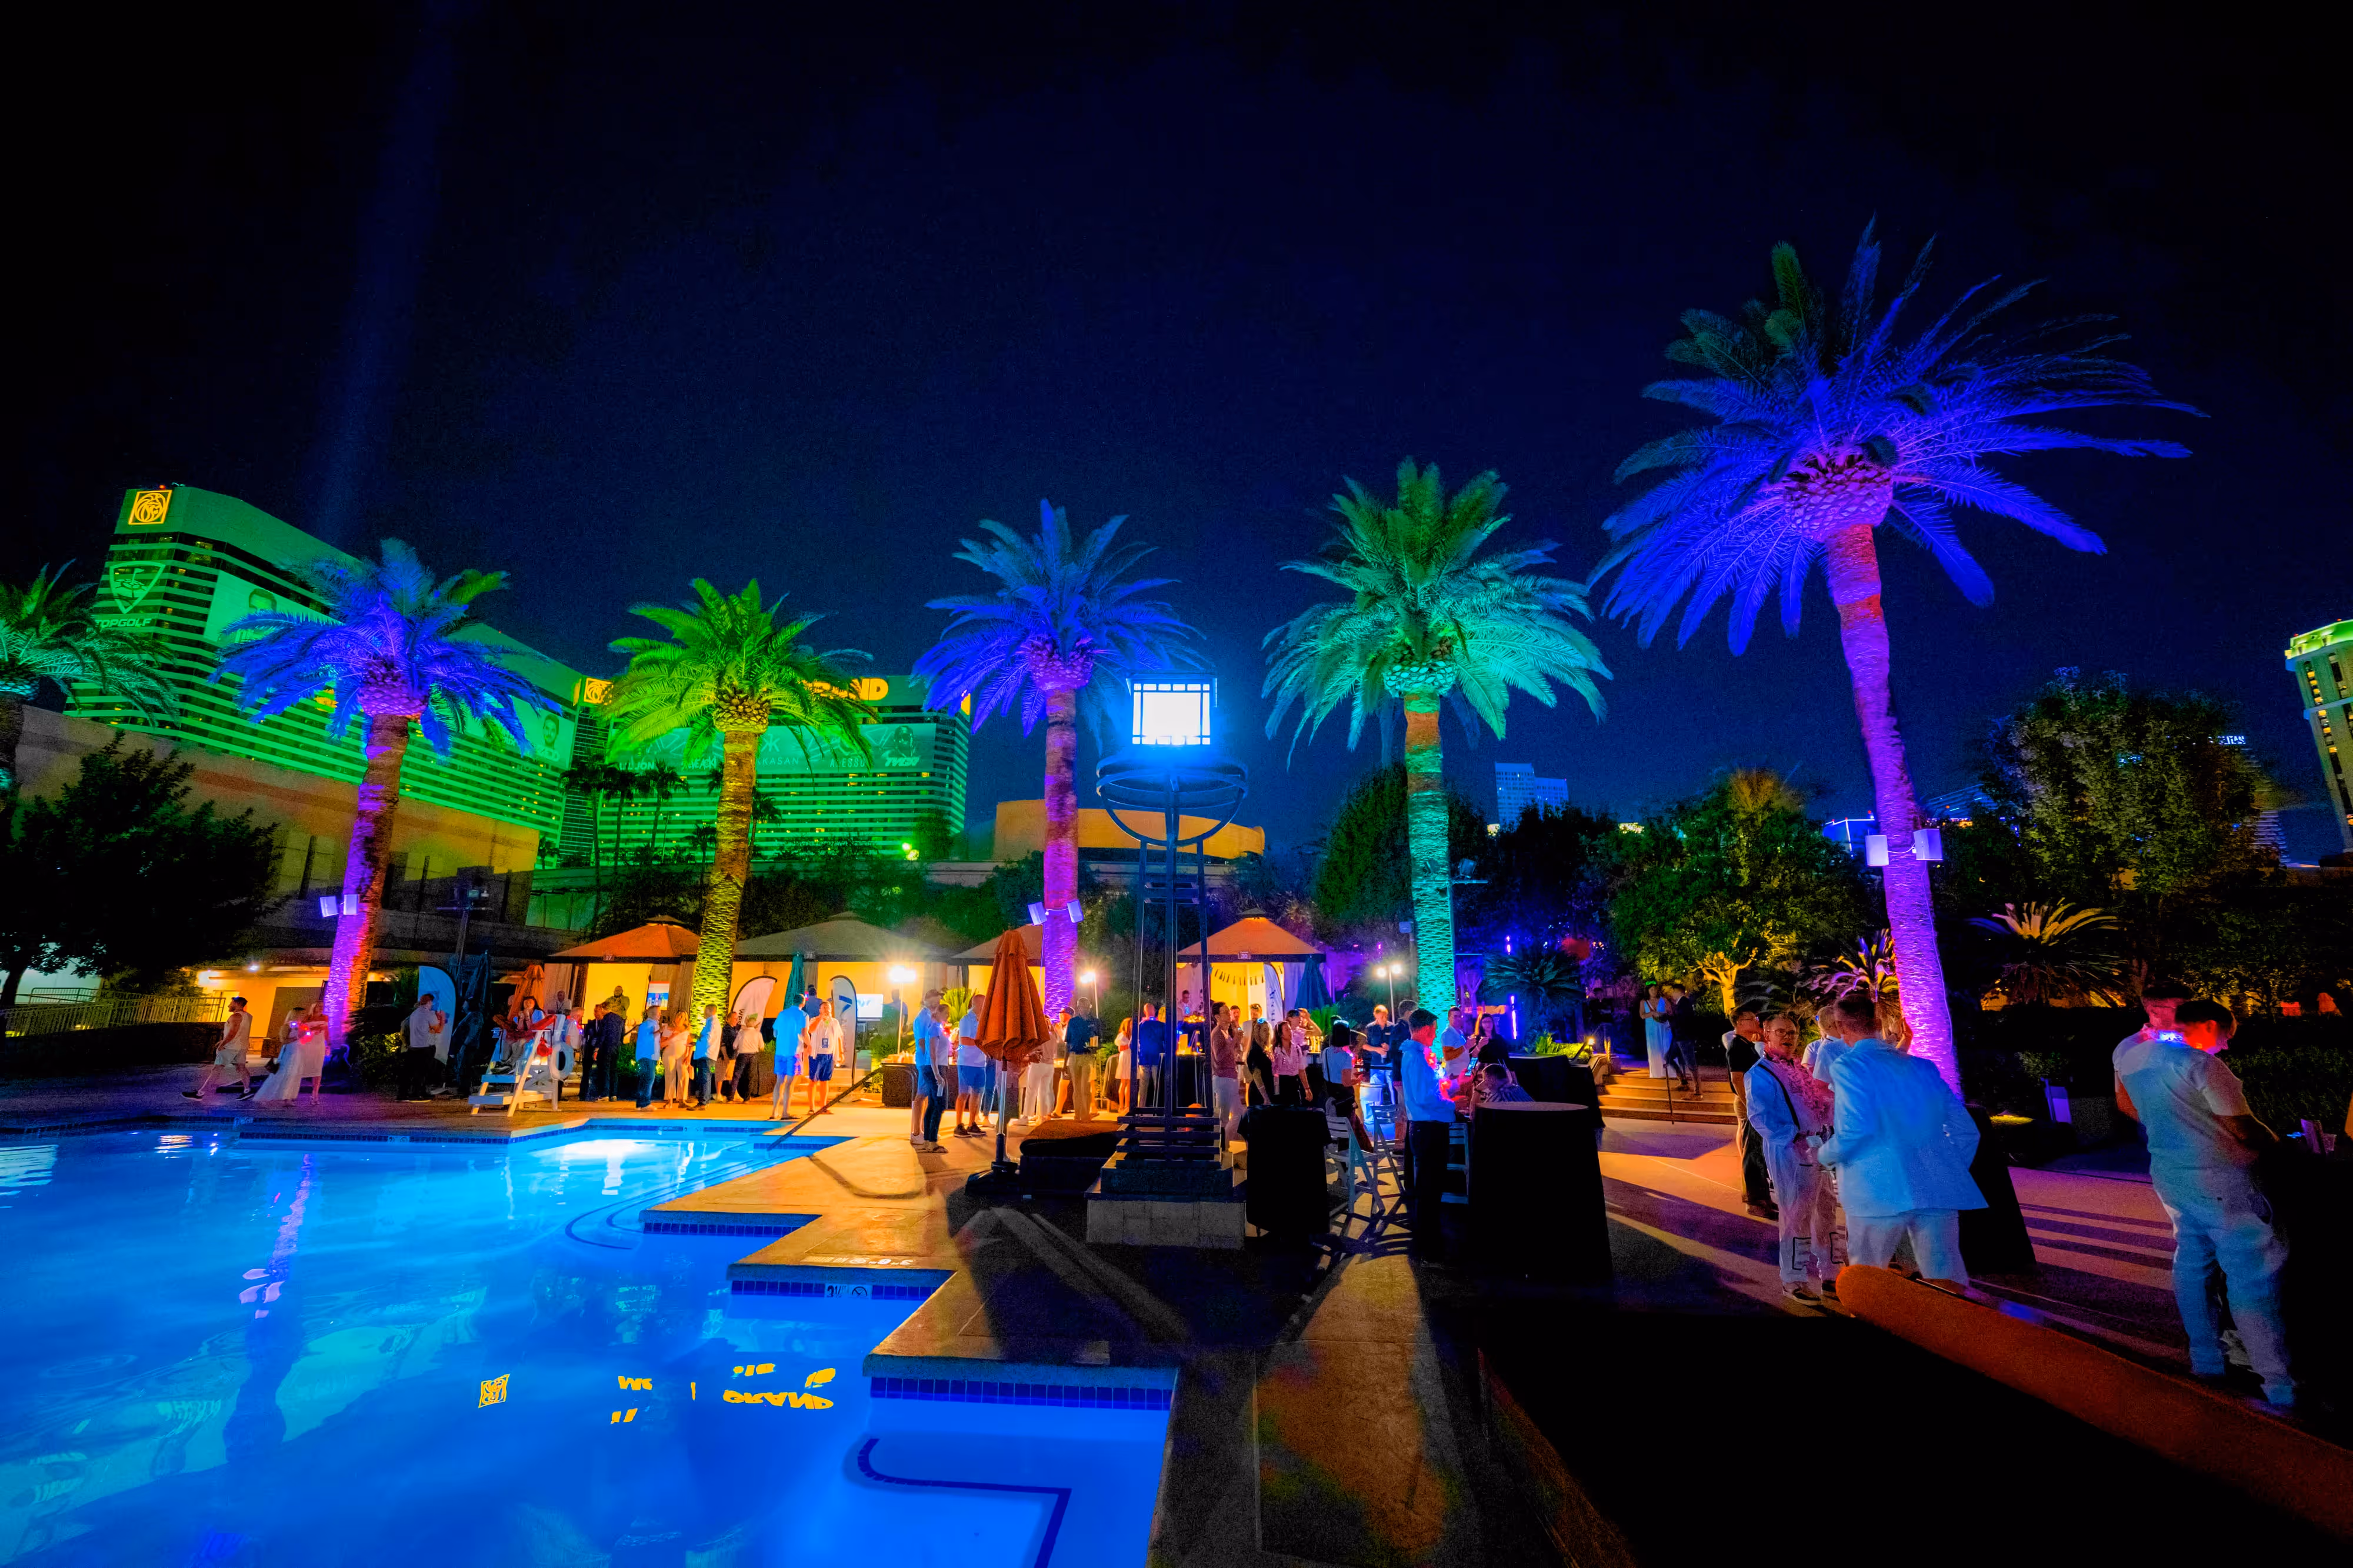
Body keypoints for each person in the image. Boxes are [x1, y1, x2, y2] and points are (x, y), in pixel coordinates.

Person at [2114, 997, 2294, 1407]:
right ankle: (2278, 1383)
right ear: (2211, 1025)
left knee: (2192, 1261)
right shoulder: (2201, 1065)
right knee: (2253, 1273)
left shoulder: (2135, 1057)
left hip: (2170, 1173)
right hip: (2222, 1179)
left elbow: (2130, 1107)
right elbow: (2243, 1128)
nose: (2226, 1046)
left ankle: (2206, 1359)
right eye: (2227, 1036)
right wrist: (2280, 1144)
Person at [1816, 993, 1984, 1288]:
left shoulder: (1849, 1066)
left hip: (1875, 1189)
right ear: (1878, 1022)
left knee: (1869, 1281)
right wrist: (1947, 1167)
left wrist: (1823, 1155)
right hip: (1936, 1187)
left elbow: (1857, 1130)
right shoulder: (1923, 1068)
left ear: (1841, 1027)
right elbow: (1966, 1131)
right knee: (1947, 1279)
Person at [1747, 1011, 1843, 1303]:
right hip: (1790, 1151)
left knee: (1825, 1211)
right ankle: (1794, 1279)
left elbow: (1816, 1104)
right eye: (1781, 1032)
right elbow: (1761, 1118)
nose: (1788, 1037)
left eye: (1792, 1032)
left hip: (1818, 1149)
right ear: (1767, 1034)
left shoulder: (1799, 1069)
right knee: (1796, 1215)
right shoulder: (1759, 1073)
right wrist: (1796, 1136)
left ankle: (1831, 1273)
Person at [1398, 1008, 1458, 1257]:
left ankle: (1429, 1239)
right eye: (1433, 1031)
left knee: (1430, 1188)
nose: (1435, 1036)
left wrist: (1448, 1088)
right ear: (1423, 1030)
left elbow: (1428, 1091)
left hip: (1427, 1127)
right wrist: (1452, 1104)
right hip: (1428, 1128)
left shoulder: (1418, 1055)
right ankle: (1429, 1245)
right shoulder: (1416, 1058)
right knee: (1429, 1189)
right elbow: (1424, 1097)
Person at [1722, 1007, 1775, 1213]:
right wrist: (1750, 1104)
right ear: (1739, 1023)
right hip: (1747, 1103)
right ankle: (1754, 1202)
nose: (1756, 1021)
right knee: (1752, 1153)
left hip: (1752, 1101)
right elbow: (1737, 1080)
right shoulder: (1737, 1047)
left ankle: (1763, 1198)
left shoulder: (1747, 1044)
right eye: (1751, 1019)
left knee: (1758, 1152)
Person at [250, 1004, 327, 1104]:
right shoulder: (287, 1026)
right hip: (290, 1052)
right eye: (302, 1014)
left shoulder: (302, 1026)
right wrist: (298, 1037)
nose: (304, 1016)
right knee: (283, 1073)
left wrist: (311, 1034)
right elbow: (283, 1041)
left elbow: (305, 1039)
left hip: (299, 1052)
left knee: (295, 1075)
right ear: (296, 1015)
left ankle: (288, 1098)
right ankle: (266, 1097)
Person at [186, 995, 256, 1100]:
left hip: (230, 1047)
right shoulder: (249, 1016)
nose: (229, 1005)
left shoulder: (235, 1016)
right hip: (242, 1047)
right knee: (241, 1068)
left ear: (237, 1004)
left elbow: (233, 1032)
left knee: (217, 1069)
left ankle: (200, 1093)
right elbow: (240, 1033)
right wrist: (223, 1041)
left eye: (231, 1003)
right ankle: (247, 1090)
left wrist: (223, 1044)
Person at [1208, 1002, 1245, 1146]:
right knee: (1224, 1117)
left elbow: (1231, 1053)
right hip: (1223, 1079)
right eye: (1225, 1013)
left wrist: (1237, 1042)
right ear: (1217, 1016)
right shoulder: (1217, 1033)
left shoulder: (1226, 1033)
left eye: (1229, 1012)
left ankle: (1225, 1143)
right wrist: (1235, 1040)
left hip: (1231, 1077)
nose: (1229, 1015)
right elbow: (1220, 1056)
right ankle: (1221, 1147)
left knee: (1238, 1114)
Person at [769, 990, 809, 1119]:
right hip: (794, 1051)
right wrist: (810, 1046)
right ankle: (785, 1113)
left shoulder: (782, 1014)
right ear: (803, 1003)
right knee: (790, 1083)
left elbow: (775, 1032)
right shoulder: (803, 1015)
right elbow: (804, 1033)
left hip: (780, 1051)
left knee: (780, 1081)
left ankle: (774, 1111)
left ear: (793, 1001)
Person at [954, 992, 989, 1136]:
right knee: (964, 1093)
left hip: (981, 1063)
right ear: (976, 1004)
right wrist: (982, 1044)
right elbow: (964, 1041)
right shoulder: (967, 1020)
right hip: (967, 1062)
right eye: (984, 1003)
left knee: (978, 1093)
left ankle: (972, 1123)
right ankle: (959, 1125)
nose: (986, 1006)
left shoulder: (984, 1020)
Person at [802, 999, 842, 1117]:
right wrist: (820, 1018)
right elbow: (811, 1030)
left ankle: (824, 1107)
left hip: (829, 1054)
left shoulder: (834, 1022)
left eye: (828, 1008)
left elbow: (839, 1038)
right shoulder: (814, 1020)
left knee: (825, 1081)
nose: (827, 1010)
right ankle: (811, 1108)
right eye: (824, 1008)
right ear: (820, 1010)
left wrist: (841, 1053)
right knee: (813, 1081)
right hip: (817, 1054)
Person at [1062, 1003, 1100, 1118]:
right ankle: (1078, 1114)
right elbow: (1068, 1043)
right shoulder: (1073, 1022)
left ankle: (1085, 1114)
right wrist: (1065, 1063)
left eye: (1086, 1007)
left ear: (1089, 1008)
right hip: (1074, 1056)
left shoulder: (1095, 1022)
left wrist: (1094, 1049)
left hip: (1087, 1056)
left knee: (1086, 1086)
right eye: (1082, 1007)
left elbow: (1098, 1039)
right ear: (1079, 1008)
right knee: (1077, 1088)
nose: (1084, 1009)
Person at [1133, 1003, 1168, 1112]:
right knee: (1158, 1085)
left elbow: (1133, 1044)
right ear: (1154, 1011)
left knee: (1143, 1086)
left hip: (1144, 1059)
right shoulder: (1161, 1025)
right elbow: (1167, 1041)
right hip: (1157, 1059)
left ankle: (1140, 1109)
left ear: (1145, 1012)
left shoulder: (1140, 1026)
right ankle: (1159, 1109)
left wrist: (1139, 1053)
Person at [1271, 1010, 1308, 1105]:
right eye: (1286, 1030)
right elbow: (1273, 1072)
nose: (1290, 1032)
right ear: (1281, 1034)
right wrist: (1275, 1091)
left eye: (1290, 1029)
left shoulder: (1296, 1049)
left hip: (1294, 1085)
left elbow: (1301, 1070)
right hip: (1281, 1085)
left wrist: (1307, 1088)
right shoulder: (1275, 1050)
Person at [688, 1004, 721, 1109]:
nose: (703, 1013)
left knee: (704, 1078)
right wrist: (696, 1043)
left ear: (710, 1011)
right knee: (705, 1078)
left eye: (705, 1011)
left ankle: (703, 1103)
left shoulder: (712, 1023)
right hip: (708, 1054)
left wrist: (696, 1037)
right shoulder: (712, 1023)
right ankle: (704, 1102)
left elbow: (708, 1039)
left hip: (706, 1055)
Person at [632, 1006, 664, 1109]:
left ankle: (641, 1103)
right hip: (647, 1056)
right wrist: (660, 1031)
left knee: (645, 1079)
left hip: (651, 1056)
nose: (661, 1014)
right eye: (659, 1012)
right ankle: (645, 1103)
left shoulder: (653, 1025)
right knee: (649, 1078)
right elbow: (648, 1037)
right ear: (654, 1013)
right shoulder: (647, 1024)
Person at [1244, 1004, 1275, 1105]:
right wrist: (1266, 1097)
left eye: (1255, 1013)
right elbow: (1257, 1076)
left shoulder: (1266, 1025)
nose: (1267, 1034)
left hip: (1266, 1090)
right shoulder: (1255, 1051)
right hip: (1260, 1094)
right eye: (1264, 1031)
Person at [1639, 984, 1672, 1079]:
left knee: (1667, 1046)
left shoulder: (1663, 1000)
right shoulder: (1643, 1002)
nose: (1654, 991)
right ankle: (1657, 1073)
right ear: (1648, 991)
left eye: (1655, 990)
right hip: (1652, 1028)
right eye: (1652, 990)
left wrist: (1663, 1014)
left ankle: (1671, 1072)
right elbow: (1642, 1015)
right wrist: (1652, 1013)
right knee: (1654, 1048)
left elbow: (1670, 1012)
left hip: (1664, 1027)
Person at [1111, 1015, 1134, 1114]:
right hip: (1125, 1058)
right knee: (1125, 1082)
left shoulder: (1131, 1035)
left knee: (1128, 1083)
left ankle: (1126, 1106)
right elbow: (1120, 1046)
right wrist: (1128, 1046)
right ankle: (1123, 1106)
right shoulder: (1123, 1035)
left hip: (1129, 1057)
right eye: (1131, 1024)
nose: (1133, 1026)